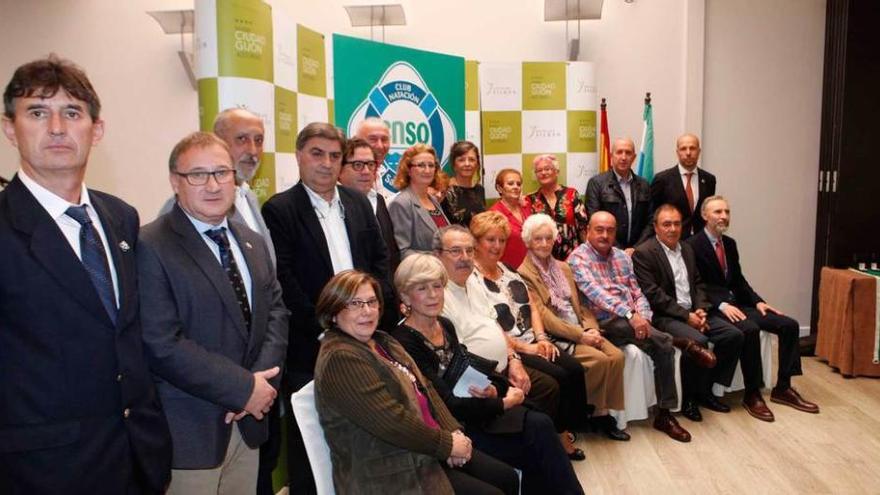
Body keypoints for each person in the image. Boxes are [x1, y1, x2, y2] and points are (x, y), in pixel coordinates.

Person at [0, 55, 172, 493]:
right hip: (40, 471)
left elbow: (126, 336)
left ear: (96, 130)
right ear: (9, 128)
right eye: (38, 112)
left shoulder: (121, 218)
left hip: (136, 459)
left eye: (72, 113)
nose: (57, 127)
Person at [138, 132, 289, 494]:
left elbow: (276, 315)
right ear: (175, 181)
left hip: (249, 423)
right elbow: (162, 343)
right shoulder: (150, 244)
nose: (213, 184)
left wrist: (259, 386)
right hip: (191, 433)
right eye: (198, 175)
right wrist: (242, 388)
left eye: (222, 172)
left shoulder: (250, 241)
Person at [261, 122, 390, 494]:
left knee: (363, 433)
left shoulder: (357, 203)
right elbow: (284, 281)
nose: (326, 163)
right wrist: (327, 328)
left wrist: (371, 315)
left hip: (366, 338)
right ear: (299, 156)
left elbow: (379, 262)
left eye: (335, 156)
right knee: (310, 445)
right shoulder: (280, 210)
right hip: (312, 345)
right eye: (317, 154)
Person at [391, 254, 585, 495]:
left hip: (477, 408)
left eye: (437, 286)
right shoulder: (404, 341)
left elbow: (470, 365)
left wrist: (496, 387)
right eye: (422, 288)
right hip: (456, 426)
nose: (433, 294)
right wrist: (501, 403)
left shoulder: (443, 324)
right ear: (405, 296)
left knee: (540, 424)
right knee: (536, 437)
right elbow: (443, 403)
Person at [313, 270, 519, 495]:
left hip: (422, 448)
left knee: (505, 477)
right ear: (333, 312)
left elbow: (426, 387)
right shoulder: (340, 358)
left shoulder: (382, 340)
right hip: (386, 469)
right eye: (355, 304)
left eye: (372, 302)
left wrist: (453, 432)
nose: (367, 311)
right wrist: (446, 445)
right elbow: (392, 422)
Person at [434, 225, 575, 456]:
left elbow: (495, 325)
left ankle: (543, 450)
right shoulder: (439, 295)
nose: (465, 258)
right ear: (438, 255)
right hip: (478, 378)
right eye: (456, 251)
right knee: (540, 400)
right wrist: (496, 382)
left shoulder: (473, 282)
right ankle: (529, 452)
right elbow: (454, 357)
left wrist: (514, 359)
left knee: (550, 386)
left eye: (469, 251)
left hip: (505, 362)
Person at [469, 210, 591, 458]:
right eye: (490, 240)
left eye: (501, 240)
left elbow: (532, 305)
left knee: (575, 370)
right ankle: (557, 437)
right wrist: (527, 348)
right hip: (512, 347)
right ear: (476, 242)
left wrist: (542, 338)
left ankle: (566, 427)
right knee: (557, 378)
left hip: (533, 339)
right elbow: (490, 326)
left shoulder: (508, 269)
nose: (497, 246)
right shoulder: (472, 279)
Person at [688, 195, 819, 415]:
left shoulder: (729, 244)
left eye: (727, 212)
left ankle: (783, 387)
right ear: (704, 215)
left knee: (789, 325)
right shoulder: (691, 245)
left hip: (739, 304)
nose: (724, 216)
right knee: (750, 329)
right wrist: (720, 305)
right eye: (718, 212)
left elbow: (738, 281)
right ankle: (752, 393)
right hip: (715, 309)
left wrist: (758, 302)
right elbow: (696, 285)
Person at [568, 211, 691, 442]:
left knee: (661, 345)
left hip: (630, 320)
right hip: (602, 321)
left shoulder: (622, 257)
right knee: (663, 342)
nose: (605, 235)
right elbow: (597, 295)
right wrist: (630, 314)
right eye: (599, 229)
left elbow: (637, 292)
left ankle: (664, 413)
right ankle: (672, 342)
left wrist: (642, 316)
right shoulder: (577, 259)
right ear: (588, 231)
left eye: (610, 230)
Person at [517, 213, 629, 441]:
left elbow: (581, 305)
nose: (544, 244)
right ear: (528, 242)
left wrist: (591, 328)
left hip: (580, 327)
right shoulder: (524, 273)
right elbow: (545, 317)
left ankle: (599, 410)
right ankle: (597, 415)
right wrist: (580, 336)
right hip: (558, 334)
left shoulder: (563, 267)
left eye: (548, 238)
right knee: (599, 360)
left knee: (616, 356)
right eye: (538, 239)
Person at [632, 204, 745, 423]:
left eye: (676, 224)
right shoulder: (644, 253)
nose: (673, 229)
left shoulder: (687, 249)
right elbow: (654, 295)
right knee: (700, 340)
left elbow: (698, 283)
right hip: (666, 317)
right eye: (666, 224)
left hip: (695, 311)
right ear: (655, 227)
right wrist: (687, 317)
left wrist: (701, 309)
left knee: (734, 335)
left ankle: (708, 390)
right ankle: (689, 400)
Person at [158, 108, 275, 268]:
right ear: (218, 142)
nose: (252, 150)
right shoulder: (181, 205)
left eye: (259, 140)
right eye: (242, 139)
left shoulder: (249, 196)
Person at [339, 136, 400, 276]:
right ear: (340, 169)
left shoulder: (378, 200)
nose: (366, 171)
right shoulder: (333, 207)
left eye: (371, 164)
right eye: (358, 165)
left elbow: (391, 251)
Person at [585, 137, 653, 253]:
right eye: (619, 152)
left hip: (638, 252)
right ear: (612, 156)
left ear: (634, 157)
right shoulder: (597, 183)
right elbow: (594, 220)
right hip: (607, 252)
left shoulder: (644, 185)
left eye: (628, 153)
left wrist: (635, 248)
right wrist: (620, 250)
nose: (623, 157)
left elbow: (651, 221)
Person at [388, 143, 451, 258]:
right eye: (421, 165)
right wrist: (439, 258)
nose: (427, 170)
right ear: (408, 170)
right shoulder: (401, 203)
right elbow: (402, 251)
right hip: (420, 273)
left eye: (431, 165)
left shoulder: (433, 200)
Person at [523, 154, 588, 260]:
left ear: (556, 171)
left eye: (547, 169)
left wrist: (587, 255)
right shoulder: (530, 199)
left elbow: (583, 229)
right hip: (542, 259)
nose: (543, 173)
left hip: (572, 258)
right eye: (539, 171)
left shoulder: (571, 194)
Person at [651, 133, 716, 238]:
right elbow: (653, 214)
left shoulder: (709, 180)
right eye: (683, 149)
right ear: (677, 152)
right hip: (672, 240)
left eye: (692, 148)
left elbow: (707, 212)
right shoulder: (662, 179)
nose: (688, 153)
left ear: (699, 152)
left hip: (700, 240)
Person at [489, 168, 530, 268]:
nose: (515, 187)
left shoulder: (527, 207)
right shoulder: (494, 214)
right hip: (507, 270)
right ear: (499, 188)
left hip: (530, 270)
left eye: (518, 184)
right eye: (511, 183)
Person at [441, 140, 486, 226]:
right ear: (454, 164)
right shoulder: (444, 190)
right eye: (461, 160)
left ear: (477, 164)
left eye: (472, 160)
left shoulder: (480, 190)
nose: (467, 164)